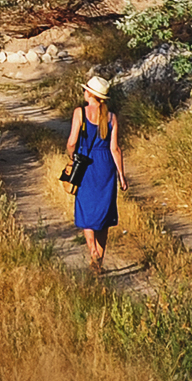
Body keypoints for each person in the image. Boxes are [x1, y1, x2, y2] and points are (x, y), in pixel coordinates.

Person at [65, 73, 127, 274]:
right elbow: (115, 149)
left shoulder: (80, 113)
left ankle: (93, 252)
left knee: (87, 212)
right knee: (103, 214)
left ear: (90, 93)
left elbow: (72, 142)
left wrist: (72, 157)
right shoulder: (111, 117)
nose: (83, 92)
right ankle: (98, 260)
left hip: (86, 165)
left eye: (85, 90)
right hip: (105, 167)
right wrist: (122, 176)